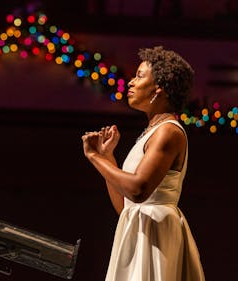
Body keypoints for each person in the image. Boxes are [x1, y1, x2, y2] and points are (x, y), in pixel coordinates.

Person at [82, 46, 205, 281]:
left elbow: (138, 190)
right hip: (138, 229)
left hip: (156, 233)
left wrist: (95, 157)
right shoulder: (151, 132)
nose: (130, 82)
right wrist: (108, 158)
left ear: (158, 89)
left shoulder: (168, 131)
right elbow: (125, 206)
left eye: (139, 76)